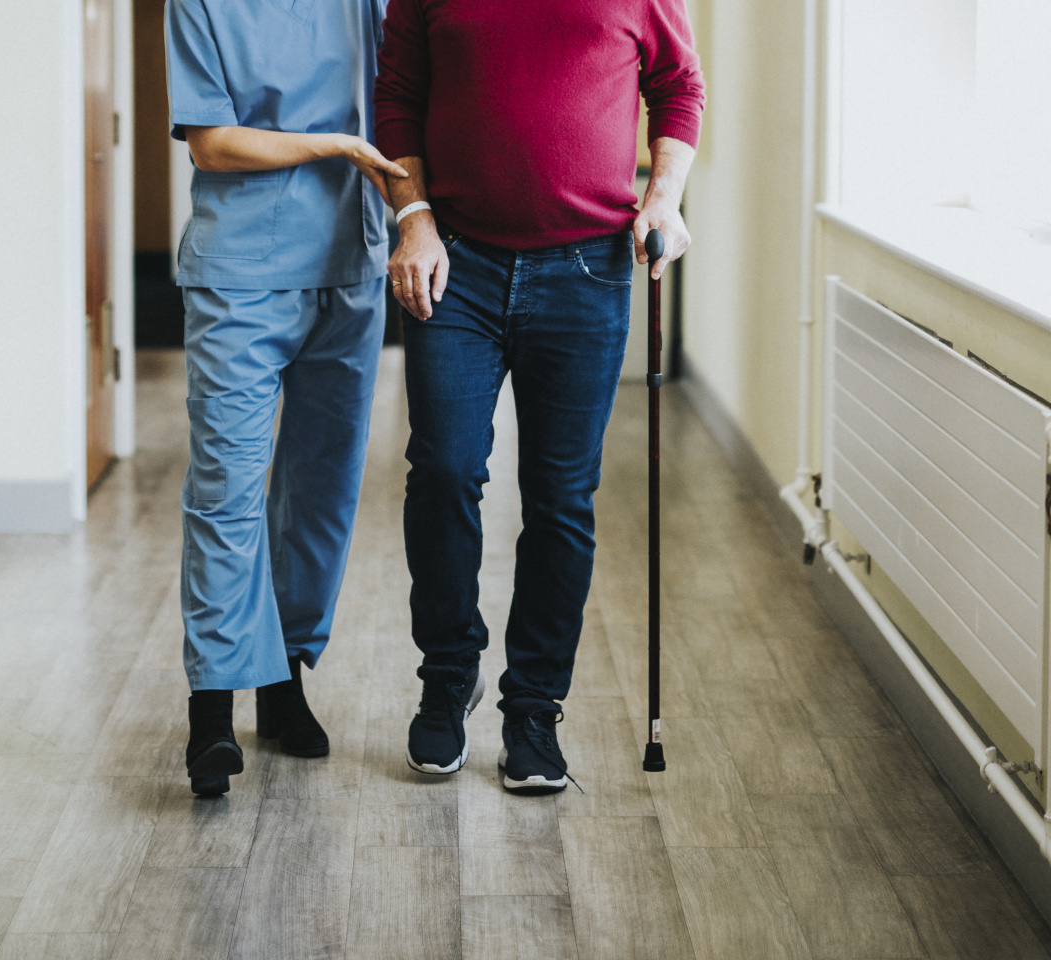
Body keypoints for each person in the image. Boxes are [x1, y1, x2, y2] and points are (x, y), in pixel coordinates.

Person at [374, 0, 705, 794]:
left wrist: (663, 194)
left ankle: (533, 706)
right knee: (446, 469)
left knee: (561, 497)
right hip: (457, 261)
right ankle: (448, 678)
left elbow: (678, 84)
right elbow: (397, 98)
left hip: (586, 268)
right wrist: (412, 221)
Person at [166, 0, 406, 796]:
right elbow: (214, 143)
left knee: (323, 489)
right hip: (240, 273)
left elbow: (411, 83)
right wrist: (333, 143)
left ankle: (283, 676)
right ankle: (211, 706)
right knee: (226, 491)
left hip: (351, 265)